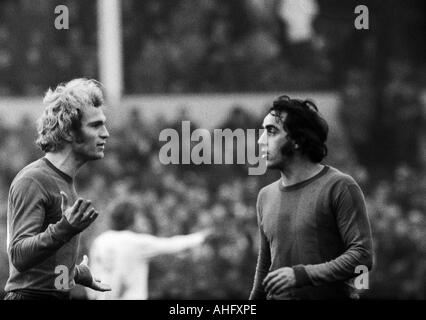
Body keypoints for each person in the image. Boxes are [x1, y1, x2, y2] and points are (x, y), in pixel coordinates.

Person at [249, 95, 373, 300]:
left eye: (271, 131)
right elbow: (265, 268)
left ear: (297, 140)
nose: (261, 141)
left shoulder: (339, 186)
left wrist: (303, 275)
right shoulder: (265, 196)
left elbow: (362, 256)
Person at [4, 78, 111, 300]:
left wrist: (77, 273)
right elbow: (19, 255)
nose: (105, 133)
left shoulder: (63, 182)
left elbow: (43, 264)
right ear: (70, 131)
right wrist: (65, 228)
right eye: (95, 125)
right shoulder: (34, 180)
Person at [87, 197, 210, 300]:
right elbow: (172, 245)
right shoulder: (137, 242)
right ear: (132, 219)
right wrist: (201, 237)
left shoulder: (100, 241)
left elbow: (90, 274)